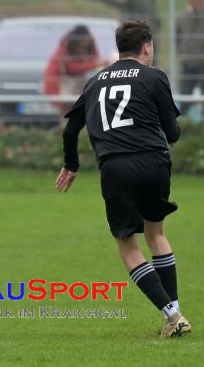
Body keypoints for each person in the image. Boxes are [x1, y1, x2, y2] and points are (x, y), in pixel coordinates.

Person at [55, 20, 191, 338]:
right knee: (155, 234)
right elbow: (173, 133)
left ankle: (174, 316)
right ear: (146, 46)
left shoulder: (95, 81)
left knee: (128, 245)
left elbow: (71, 128)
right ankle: (174, 315)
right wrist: (164, 133)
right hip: (155, 161)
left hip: (116, 166)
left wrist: (71, 165)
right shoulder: (155, 76)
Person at [44, 25, 110, 113]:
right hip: (60, 82)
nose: (82, 49)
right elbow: (72, 67)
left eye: (85, 46)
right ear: (75, 43)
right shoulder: (65, 46)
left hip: (75, 82)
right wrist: (95, 64)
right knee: (65, 107)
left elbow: (95, 58)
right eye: (80, 45)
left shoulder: (90, 41)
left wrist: (97, 63)